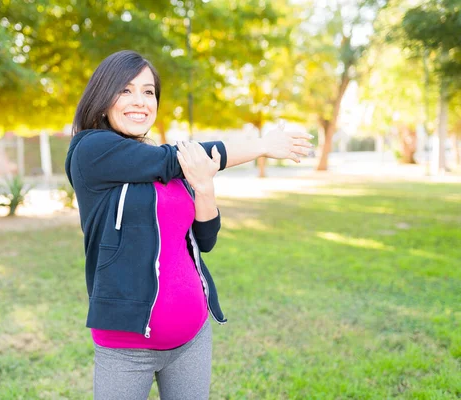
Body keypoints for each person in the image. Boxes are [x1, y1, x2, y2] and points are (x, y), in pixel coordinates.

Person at [64, 50, 312, 399]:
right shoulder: (92, 150)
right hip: (127, 346)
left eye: (148, 92)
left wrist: (206, 188)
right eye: (125, 90)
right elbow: (173, 158)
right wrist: (261, 146)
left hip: (192, 336)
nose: (140, 101)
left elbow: (203, 238)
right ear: (102, 99)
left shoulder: (156, 163)